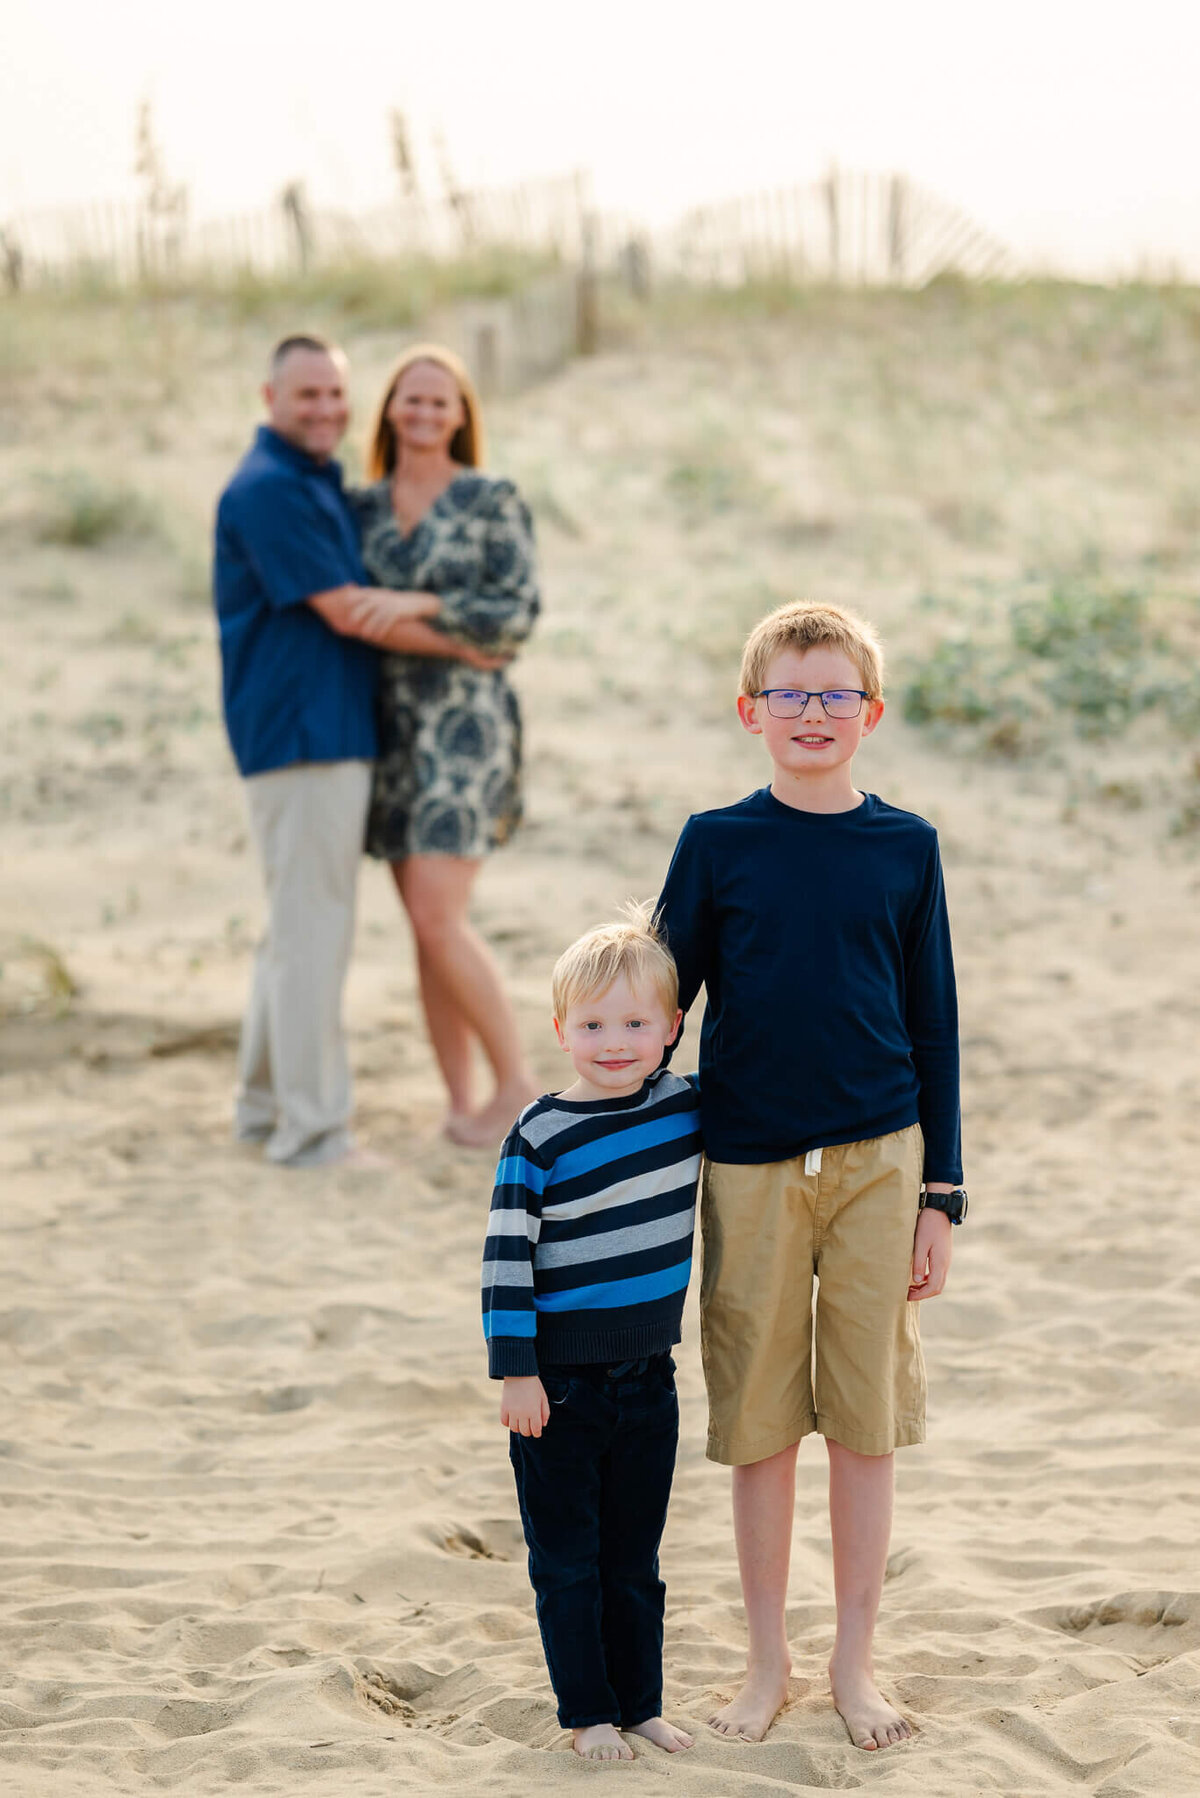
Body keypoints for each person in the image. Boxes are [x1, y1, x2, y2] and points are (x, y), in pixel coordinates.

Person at [655, 601, 966, 1752]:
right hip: (748, 1163)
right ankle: (764, 1660)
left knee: (866, 1419)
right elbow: (660, 1005)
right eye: (792, 693)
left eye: (838, 693)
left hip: (884, 1159)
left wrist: (945, 1194)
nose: (815, 712)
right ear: (752, 711)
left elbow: (934, 1021)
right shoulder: (715, 842)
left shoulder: (907, 845)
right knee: (762, 1420)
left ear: (872, 713)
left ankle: (853, 1661)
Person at [481, 906, 701, 1762]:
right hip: (560, 1389)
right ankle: (587, 1713)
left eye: (637, 1023)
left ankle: (640, 1702)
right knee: (567, 1560)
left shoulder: (685, 1109)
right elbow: (506, 1259)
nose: (616, 1042)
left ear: (672, 1028)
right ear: (562, 1029)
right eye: (595, 1024)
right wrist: (517, 1372)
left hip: (652, 1381)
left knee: (635, 1560)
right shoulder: (539, 1134)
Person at [213, 335, 435, 1167]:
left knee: (291, 930)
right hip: (305, 736)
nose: (326, 411)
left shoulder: (310, 481)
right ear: (268, 396)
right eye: (307, 395)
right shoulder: (271, 489)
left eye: (336, 395)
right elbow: (346, 611)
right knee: (313, 932)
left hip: (313, 728)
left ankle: (263, 1106)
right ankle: (312, 1130)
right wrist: (471, 637)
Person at [349, 344, 540, 1149]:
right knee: (426, 927)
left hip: (466, 728)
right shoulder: (358, 508)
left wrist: (409, 604)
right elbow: (349, 616)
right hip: (385, 728)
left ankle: (520, 1087)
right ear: (390, 409)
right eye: (410, 399)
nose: (424, 413)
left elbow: (513, 618)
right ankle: (461, 1105)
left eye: (440, 402)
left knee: (438, 916)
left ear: (462, 415)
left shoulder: (492, 498)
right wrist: (451, 636)